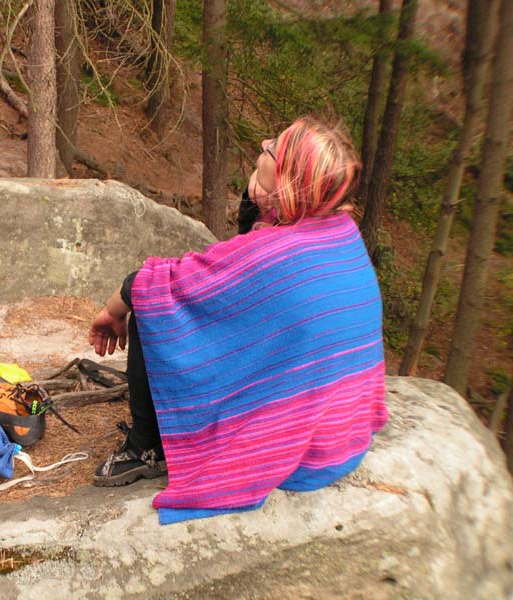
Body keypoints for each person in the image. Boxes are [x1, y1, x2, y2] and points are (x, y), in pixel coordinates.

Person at [88, 116, 388, 525]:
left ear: (285, 180)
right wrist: (260, 194)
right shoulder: (339, 232)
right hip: (342, 435)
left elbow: (159, 284)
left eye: (272, 149)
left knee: (152, 309)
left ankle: (146, 447)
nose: (263, 142)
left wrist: (114, 311)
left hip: (301, 456)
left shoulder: (275, 254)